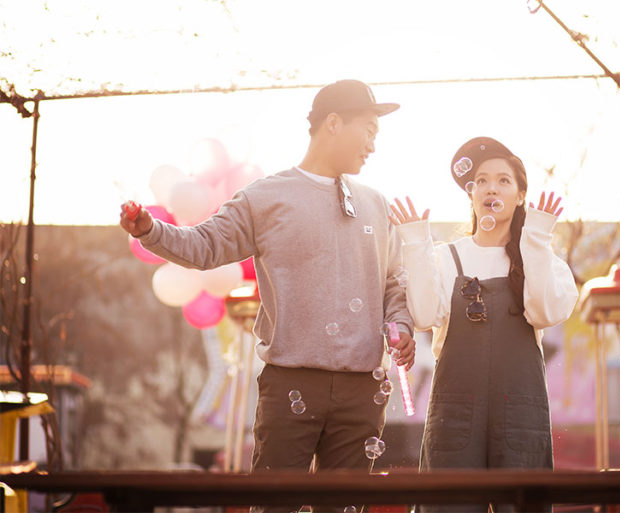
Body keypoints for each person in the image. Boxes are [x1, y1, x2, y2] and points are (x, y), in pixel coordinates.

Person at [120, 79, 416, 513]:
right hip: (290, 383)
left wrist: (401, 325)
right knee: (274, 506)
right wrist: (151, 230)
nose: (374, 144)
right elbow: (205, 245)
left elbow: (394, 281)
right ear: (334, 123)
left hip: (363, 389)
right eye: (369, 130)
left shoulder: (376, 204)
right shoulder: (266, 197)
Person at [389, 136, 578, 513]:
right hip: (454, 415)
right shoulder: (446, 257)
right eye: (482, 181)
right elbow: (423, 316)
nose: (492, 188)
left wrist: (537, 239)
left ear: (521, 196)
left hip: (520, 414)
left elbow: (544, 313)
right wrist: (415, 242)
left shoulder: (538, 258)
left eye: (504, 180)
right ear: (471, 194)